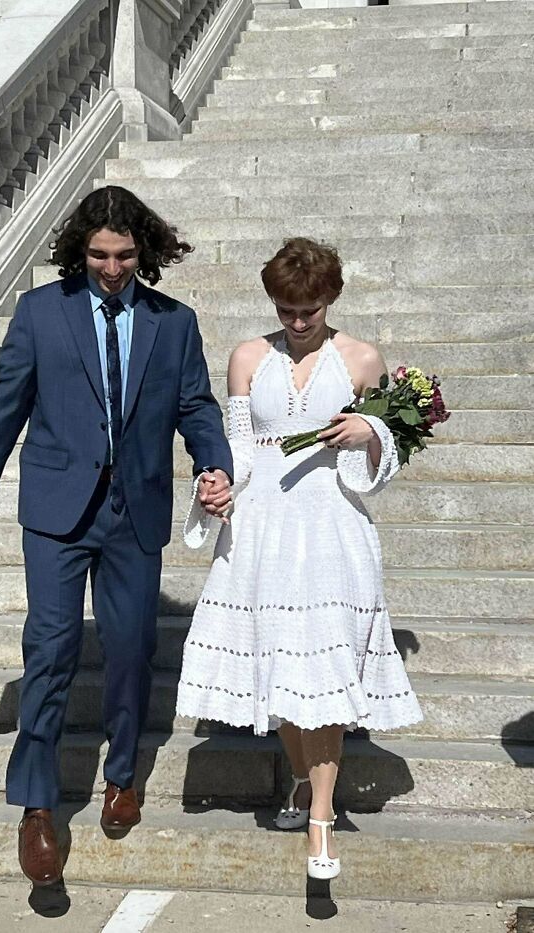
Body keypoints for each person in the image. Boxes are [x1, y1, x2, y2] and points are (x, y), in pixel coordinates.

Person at [0, 186, 233, 887]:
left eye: (125, 255)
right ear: (82, 249)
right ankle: (37, 805)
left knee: (133, 646)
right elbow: (5, 407)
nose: (110, 267)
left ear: (147, 252)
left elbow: (195, 403)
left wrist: (214, 461)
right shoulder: (42, 313)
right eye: (99, 254)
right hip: (56, 510)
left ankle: (124, 772)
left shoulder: (173, 322)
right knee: (50, 645)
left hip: (134, 509)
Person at [178, 237, 423, 880]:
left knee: (327, 676)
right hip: (261, 530)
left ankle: (319, 818)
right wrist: (216, 484)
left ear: (330, 298)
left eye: (308, 308)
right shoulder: (248, 357)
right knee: (281, 676)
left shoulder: (364, 359)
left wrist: (372, 432)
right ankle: (300, 779)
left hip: (333, 526)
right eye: (286, 307)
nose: (296, 320)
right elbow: (238, 445)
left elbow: (386, 456)